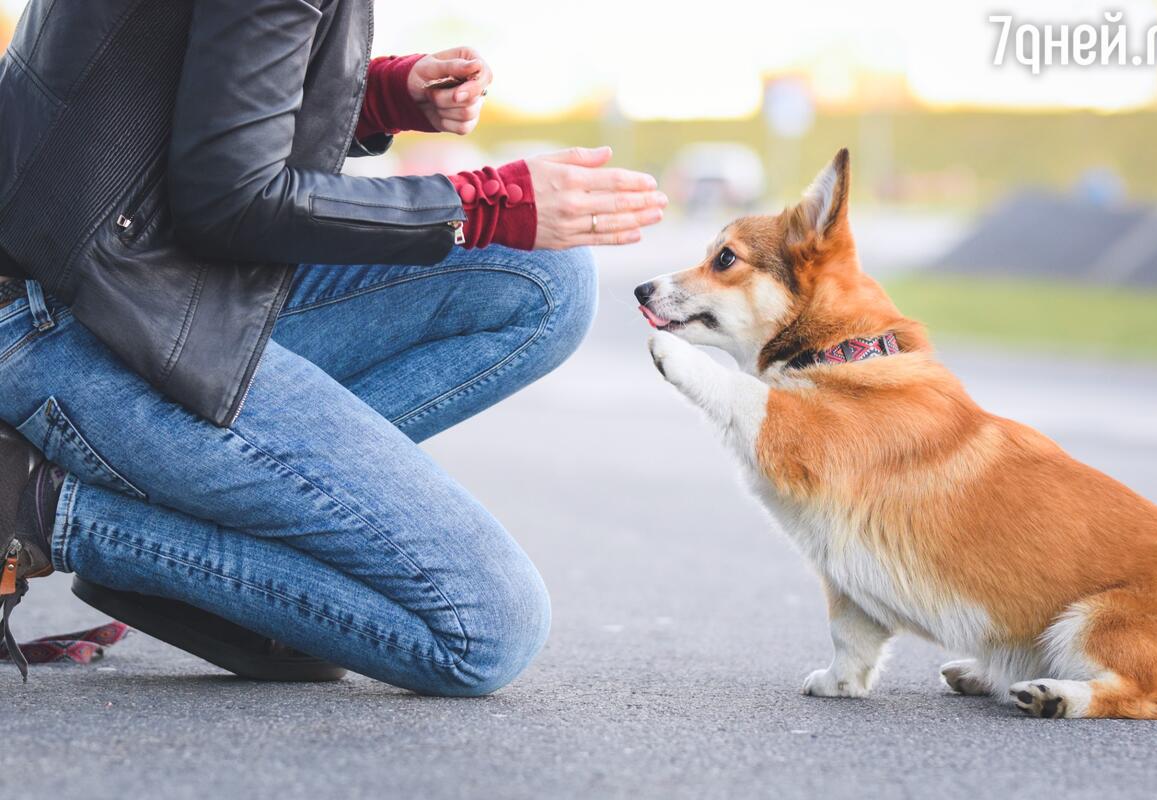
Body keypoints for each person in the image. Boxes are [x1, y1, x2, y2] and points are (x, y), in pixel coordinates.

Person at [0, 1, 666, 692]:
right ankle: (40, 507)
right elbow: (231, 201)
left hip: (136, 272)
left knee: (544, 279)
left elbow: (182, 105)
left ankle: (203, 552)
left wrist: (380, 97)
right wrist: (484, 203)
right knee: (485, 627)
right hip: (80, 321)